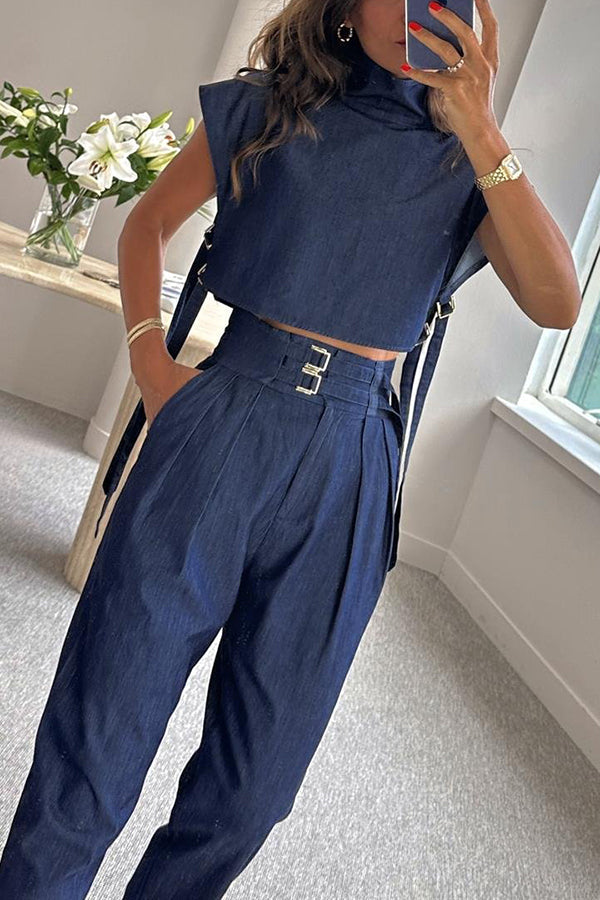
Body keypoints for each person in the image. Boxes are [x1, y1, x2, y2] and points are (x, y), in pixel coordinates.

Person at [0, 0, 581, 897]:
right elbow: (148, 224)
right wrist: (150, 360)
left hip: (356, 460)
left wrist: (480, 123)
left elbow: (557, 302)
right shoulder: (267, 107)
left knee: (253, 792)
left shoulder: (470, 158)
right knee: (99, 733)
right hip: (226, 418)